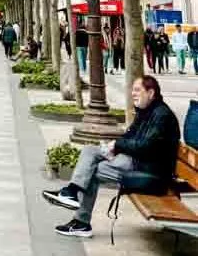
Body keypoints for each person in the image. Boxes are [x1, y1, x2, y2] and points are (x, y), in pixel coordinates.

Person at [43, 76, 180, 238]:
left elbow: (145, 147)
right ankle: (71, 191)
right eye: (132, 90)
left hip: (150, 173)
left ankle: (81, 222)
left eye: (137, 90)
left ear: (151, 93)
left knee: (93, 170)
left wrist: (117, 146)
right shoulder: (146, 111)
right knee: (89, 150)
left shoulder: (161, 115)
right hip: (136, 161)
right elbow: (130, 138)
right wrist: (115, 147)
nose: (133, 94)